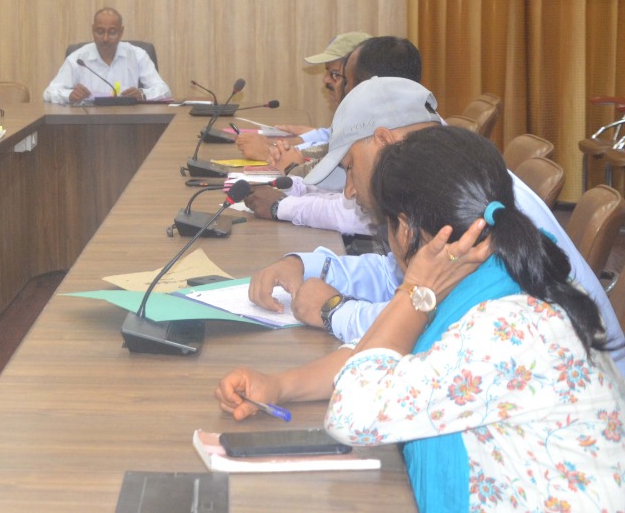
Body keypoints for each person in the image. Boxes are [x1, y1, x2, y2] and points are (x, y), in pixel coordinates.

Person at [217, 126, 625, 511]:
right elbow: (381, 357)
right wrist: (280, 386)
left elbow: (354, 412)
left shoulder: (510, 323)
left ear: (407, 228)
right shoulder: (491, 275)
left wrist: (413, 289)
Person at [243, 76, 625, 375]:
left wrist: (334, 310)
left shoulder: (470, 205)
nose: (348, 190)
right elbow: (398, 276)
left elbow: (429, 324)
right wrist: (306, 264)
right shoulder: (447, 183)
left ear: (384, 141)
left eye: (350, 168)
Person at [244, 36, 424, 223]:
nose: (342, 88)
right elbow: (337, 188)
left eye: (345, 81)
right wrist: (292, 186)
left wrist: (280, 206)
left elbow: (360, 216)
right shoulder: (393, 125)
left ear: (366, 87)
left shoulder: (409, 145)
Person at [234, 30, 368, 162]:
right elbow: (331, 136)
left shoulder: (370, 119)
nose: (325, 80)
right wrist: (288, 142)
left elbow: (334, 159)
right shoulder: (353, 113)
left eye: (334, 74)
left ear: (359, 77)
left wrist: (270, 151)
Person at [42, 8, 171, 104]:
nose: (105, 38)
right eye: (100, 32)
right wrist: (69, 95)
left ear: (121, 32)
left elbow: (164, 90)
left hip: (129, 122)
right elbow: (49, 92)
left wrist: (142, 94)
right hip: (88, 123)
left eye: (112, 32)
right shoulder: (78, 59)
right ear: (93, 30)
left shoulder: (137, 55)